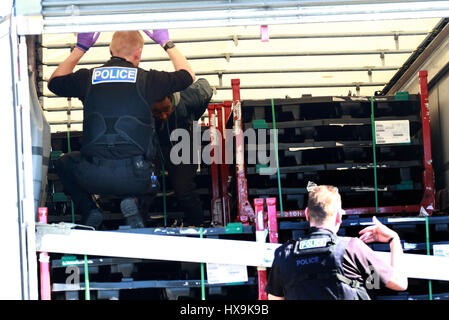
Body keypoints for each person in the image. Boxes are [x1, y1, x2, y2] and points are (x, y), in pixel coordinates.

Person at [48, 30, 195, 229]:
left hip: (92, 175)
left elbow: (54, 82)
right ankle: (136, 204)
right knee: (154, 178)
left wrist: (80, 49)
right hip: (137, 177)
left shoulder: (87, 78)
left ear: (110, 50)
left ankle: (90, 208)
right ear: (139, 53)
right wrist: (166, 43)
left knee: (64, 161)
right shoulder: (148, 80)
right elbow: (188, 76)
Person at [265, 184, 408, 300]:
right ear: (339, 216)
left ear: (307, 214)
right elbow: (400, 283)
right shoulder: (351, 249)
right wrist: (393, 239)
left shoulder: (284, 254)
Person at [152, 78, 213, 227]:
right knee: (145, 185)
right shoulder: (140, 103)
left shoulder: (188, 98)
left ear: (171, 99)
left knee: (183, 189)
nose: (164, 116)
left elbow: (207, 88)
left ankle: (197, 225)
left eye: (166, 109)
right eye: (157, 112)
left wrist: (193, 119)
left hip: (183, 143)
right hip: (157, 145)